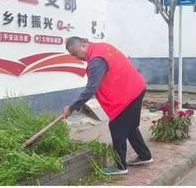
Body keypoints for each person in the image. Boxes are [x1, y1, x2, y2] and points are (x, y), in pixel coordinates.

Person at [62, 37, 153, 176]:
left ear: (83, 45)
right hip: (136, 86)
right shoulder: (101, 47)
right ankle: (145, 156)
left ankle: (120, 166)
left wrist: (71, 107)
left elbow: (90, 89)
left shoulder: (96, 60)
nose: (76, 58)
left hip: (128, 94)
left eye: (75, 54)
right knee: (130, 127)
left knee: (117, 126)